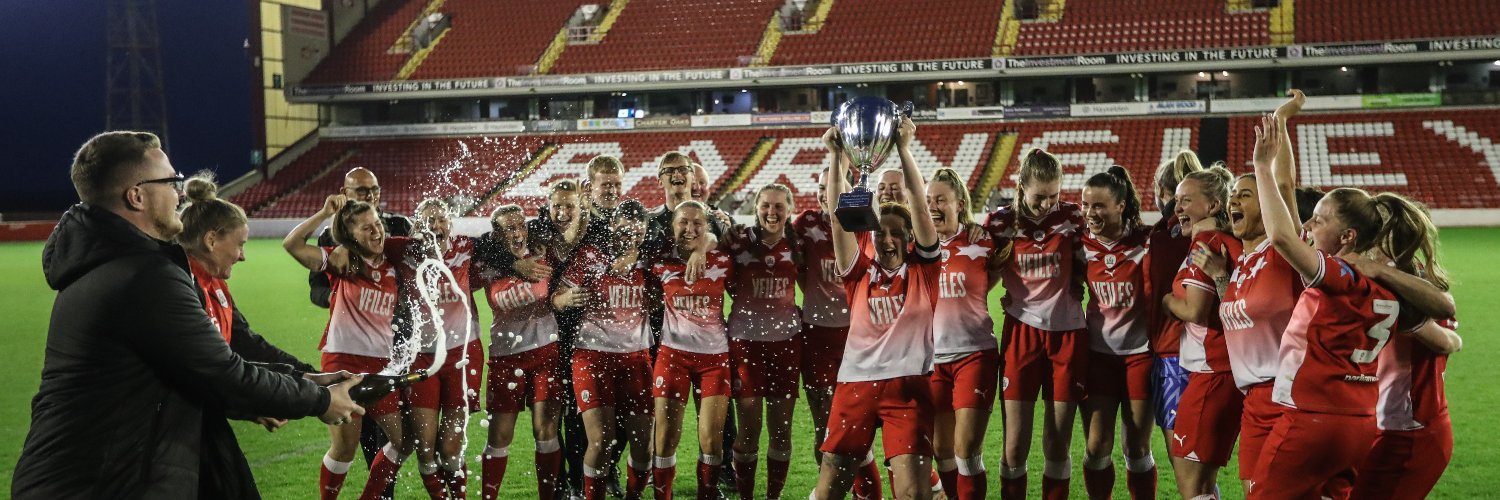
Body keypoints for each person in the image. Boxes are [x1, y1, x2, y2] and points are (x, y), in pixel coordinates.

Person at [14, 131, 361, 499]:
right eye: (171, 181)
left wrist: (304, 378)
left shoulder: (112, 266)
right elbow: (222, 374)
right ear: (136, 196)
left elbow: (202, 365)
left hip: (94, 474)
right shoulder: (144, 276)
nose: (180, 193)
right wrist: (319, 399)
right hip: (98, 484)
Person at [1246, 113, 1432, 498]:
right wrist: (1284, 124)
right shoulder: (1387, 282)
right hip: (1360, 422)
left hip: (1313, 418)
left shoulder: (1339, 274)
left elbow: (1281, 237)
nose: (1307, 226)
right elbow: (1287, 191)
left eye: (1318, 221)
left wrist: (1261, 166)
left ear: (1347, 236)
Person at [813, 117, 942, 500]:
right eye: (880, 232)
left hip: (909, 387)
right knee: (830, 489)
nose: (887, 239)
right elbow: (838, 221)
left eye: (897, 232)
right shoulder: (858, 272)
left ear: (910, 238)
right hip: (856, 384)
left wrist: (904, 148)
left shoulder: (924, 271)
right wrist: (835, 155)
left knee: (914, 493)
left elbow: (919, 206)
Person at [284, 195, 416, 500]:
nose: (376, 231)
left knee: (403, 441)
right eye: (366, 228)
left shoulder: (393, 263)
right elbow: (292, 245)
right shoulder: (344, 260)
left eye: (377, 224)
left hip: (381, 366)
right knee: (345, 448)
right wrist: (323, 214)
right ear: (350, 235)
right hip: (343, 364)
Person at [179, 173, 323, 431]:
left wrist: (308, 375)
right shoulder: (181, 288)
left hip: (198, 422)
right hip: (176, 427)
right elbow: (200, 373)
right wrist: (312, 393)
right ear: (211, 240)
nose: (243, 256)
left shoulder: (215, 283)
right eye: (240, 245)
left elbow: (245, 343)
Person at [985, 148, 1087, 500]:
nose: (1047, 204)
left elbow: (1090, 260)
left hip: (1067, 334)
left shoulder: (1073, 217)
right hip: (1021, 334)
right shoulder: (1000, 223)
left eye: (1054, 195)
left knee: (1057, 444)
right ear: (1021, 187)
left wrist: (1079, 282)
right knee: (1015, 447)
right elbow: (981, 272)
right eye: (1039, 197)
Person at [793, 167, 884, 499]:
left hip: (856, 335)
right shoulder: (804, 224)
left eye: (828, 187)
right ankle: (832, 489)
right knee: (824, 424)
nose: (823, 193)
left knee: (858, 423)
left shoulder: (863, 223)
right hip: (816, 335)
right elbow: (794, 265)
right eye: (819, 188)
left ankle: (865, 491)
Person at [556, 198, 656, 500]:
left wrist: (636, 254)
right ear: (612, 225)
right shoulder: (590, 254)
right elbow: (557, 297)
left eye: (638, 234)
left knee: (643, 444)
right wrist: (566, 299)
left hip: (636, 357)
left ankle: (634, 496)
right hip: (592, 356)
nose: (631, 239)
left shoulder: (651, 257)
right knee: (600, 441)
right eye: (625, 232)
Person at [1161, 166, 1243, 498]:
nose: (1177, 207)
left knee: (1192, 484)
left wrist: (1167, 301)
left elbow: (1195, 310)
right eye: (1177, 200)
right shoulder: (1224, 240)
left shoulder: (1205, 243)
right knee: (1204, 482)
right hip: (1224, 370)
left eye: (1186, 200)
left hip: (1212, 371)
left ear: (1212, 206)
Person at [1077, 166, 1158, 500]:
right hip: (1098, 358)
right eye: (1085, 205)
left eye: (1099, 206)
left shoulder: (1147, 240)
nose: (1090, 213)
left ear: (1121, 205)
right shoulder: (1079, 243)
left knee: (1137, 447)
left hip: (1140, 356)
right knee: (1097, 446)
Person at [397, 197, 485, 498]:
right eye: (428, 220)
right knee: (425, 448)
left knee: (449, 448)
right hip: (422, 357)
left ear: (450, 222)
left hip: (463, 354)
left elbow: (498, 251)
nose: (436, 225)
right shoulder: (405, 255)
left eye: (441, 219)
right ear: (417, 226)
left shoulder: (466, 247)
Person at [477, 204, 565, 500]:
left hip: (545, 353)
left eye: (520, 226)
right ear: (496, 234)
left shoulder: (543, 253)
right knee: (499, 435)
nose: (517, 233)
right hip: (505, 357)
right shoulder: (488, 264)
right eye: (508, 228)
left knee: (546, 430)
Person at [924, 167, 1001, 500]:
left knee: (966, 451)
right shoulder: (917, 245)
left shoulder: (982, 241)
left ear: (960, 203)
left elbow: (996, 273)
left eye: (941, 199)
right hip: (932, 360)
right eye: (928, 200)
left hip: (974, 355)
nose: (933, 206)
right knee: (942, 450)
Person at [651, 201, 736, 500]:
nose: (690, 229)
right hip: (672, 357)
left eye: (698, 223)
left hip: (715, 359)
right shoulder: (659, 261)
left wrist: (705, 247)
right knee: (665, 439)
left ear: (707, 226)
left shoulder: (723, 260)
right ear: (672, 226)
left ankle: (707, 494)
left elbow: (743, 296)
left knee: (712, 441)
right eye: (683, 222)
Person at [724, 184, 802, 500]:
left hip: (786, 343)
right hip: (746, 343)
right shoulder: (738, 241)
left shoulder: (799, 242)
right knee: (749, 430)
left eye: (779, 206)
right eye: (766, 205)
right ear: (756, 208)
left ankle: (773, 497)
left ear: (790, 209)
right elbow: (721, 272)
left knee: (781, 430)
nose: (772, 212)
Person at [1144, 150, 1201, 453]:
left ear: (1162, 191)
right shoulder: (1211, 233)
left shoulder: (1164, 238)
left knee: (1185, 464)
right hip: (1206, 354)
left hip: (1173, 354)